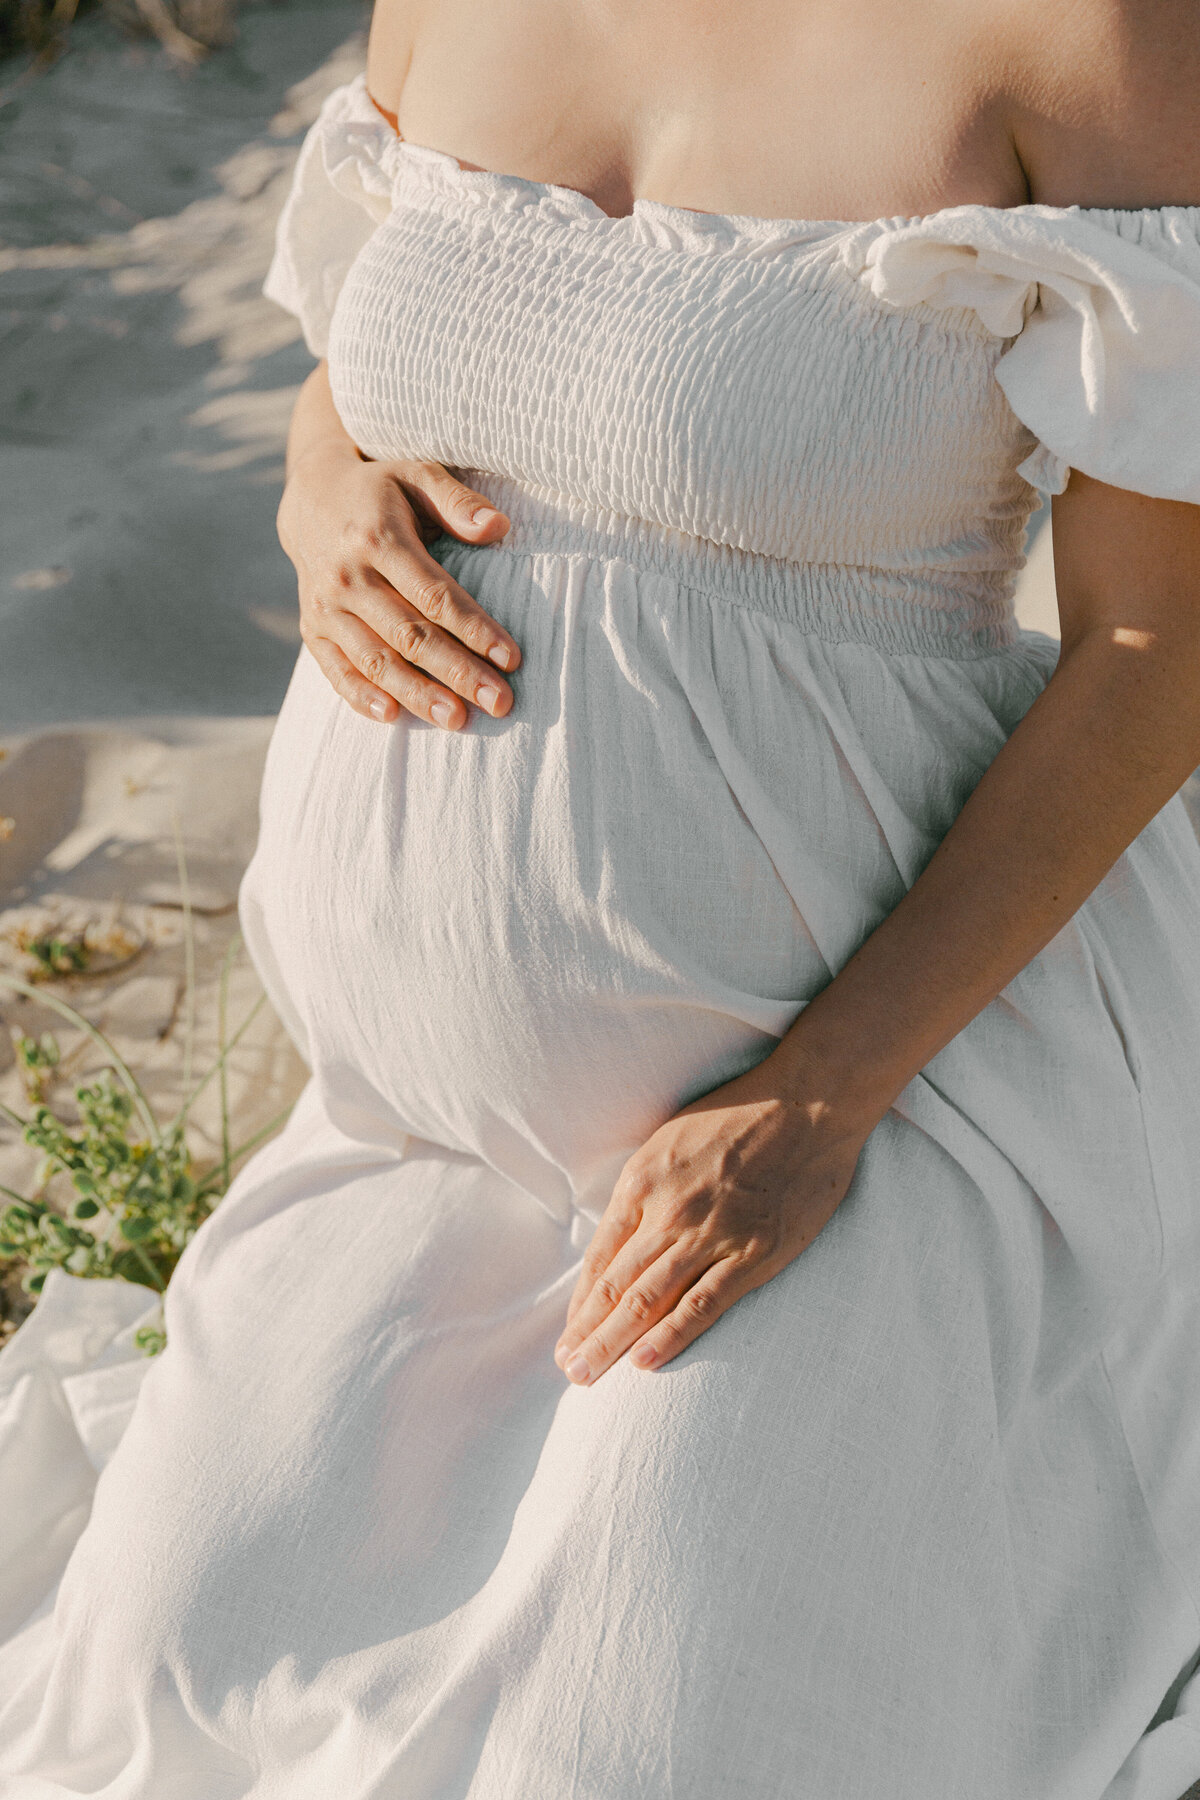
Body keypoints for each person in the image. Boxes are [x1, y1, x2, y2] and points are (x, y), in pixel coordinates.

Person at [3, 0, 1200, 1793]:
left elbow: (1153, 648)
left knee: (632, 1755)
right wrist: (322, 493)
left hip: (866, 1123)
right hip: (415, 1141)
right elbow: (367, 353)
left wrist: (821, 1098)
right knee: (156, 1690)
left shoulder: (1084, 36)